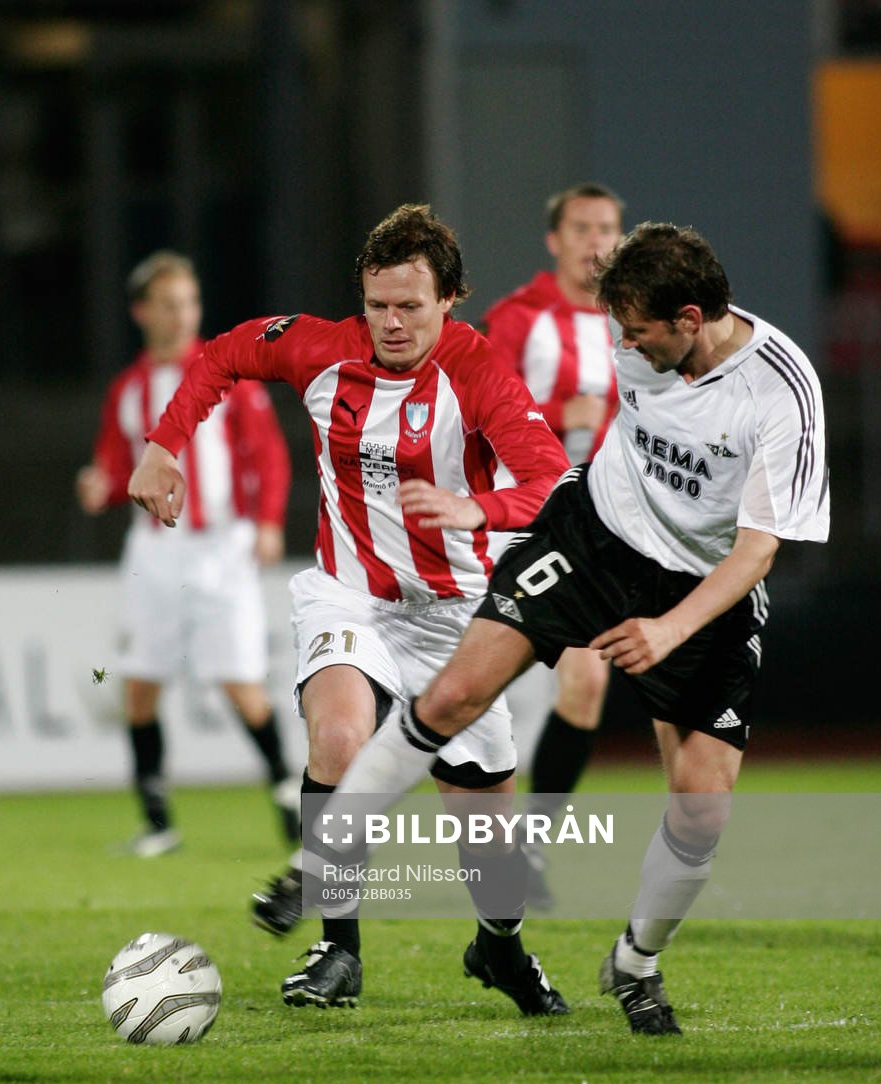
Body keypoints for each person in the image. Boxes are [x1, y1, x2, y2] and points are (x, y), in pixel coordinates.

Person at [297, 222, 830, 1035]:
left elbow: (758, 551)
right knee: (459, 691)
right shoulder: (638, 340)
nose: (622, 346)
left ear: (690, 320)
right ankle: (321, 896)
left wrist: (667, 629)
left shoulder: (781, 394)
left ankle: (635, 962)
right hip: (593, 539)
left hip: (699, 587)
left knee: (701, 807)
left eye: (637, 331)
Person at [127, 204, 572, 1015]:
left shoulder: (479, 374)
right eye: (377, 305)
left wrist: (482, 509)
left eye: (410, 305)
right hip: (350, 594)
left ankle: (499, 951)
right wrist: (163, 446)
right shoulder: (325, 349)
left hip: (458, 615)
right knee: (337, 736)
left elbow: (551, 479)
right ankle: (339, 950)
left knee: (490, 854)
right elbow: (223, 354)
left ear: (450, 301)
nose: (391, 323)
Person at [76, 250, 298, 857]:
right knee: (141, 686)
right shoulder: (129, 388)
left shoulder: (222, 373)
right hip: (153, 552)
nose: (183, 315)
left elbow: (267, 454)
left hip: (220, 547)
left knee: (241, 683)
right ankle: (158, 823)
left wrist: (269, 521)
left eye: (190, 302)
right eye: (170, 304)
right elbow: (118, 463)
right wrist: (99, 483)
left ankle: (287, 797)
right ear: (142, 311)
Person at [483, 182, 624, 906]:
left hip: (588, 531)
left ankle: (529, 849)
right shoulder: (517, 318)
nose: (596, 241)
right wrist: (551, 411)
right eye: (582, 228)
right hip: (511, 523)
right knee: (469, 695)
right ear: (555, 239)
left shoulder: (630, 321)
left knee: (587, 680)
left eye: (607, 228)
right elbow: (478, 409)